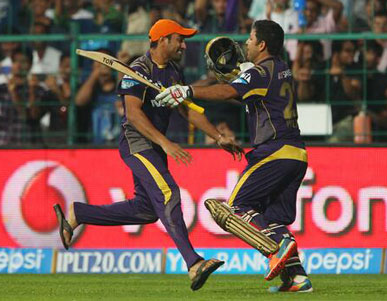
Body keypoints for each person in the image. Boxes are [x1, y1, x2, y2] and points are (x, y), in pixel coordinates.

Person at [53, 19, 243, 291]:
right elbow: (133, 114)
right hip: (137, 144)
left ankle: (79, 213)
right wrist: (165, 143)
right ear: (164, 40)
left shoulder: (174, 71)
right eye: (179, 39)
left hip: (153, 147)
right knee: (169, 194)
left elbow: (186, 109)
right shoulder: (137, 70)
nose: (183, 45)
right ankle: (193, 263)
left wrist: (218, 136)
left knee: (146, 210)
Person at [156, 19, 313, 293]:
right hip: (297, 155)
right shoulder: (281, 69)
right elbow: (238, 93)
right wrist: (199, 91)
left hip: (273, 152)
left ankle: (275, 248)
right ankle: (297, 278)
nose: (246, 45)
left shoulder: (259, 73)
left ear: (262, 44)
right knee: (273, 218)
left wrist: (187, 90)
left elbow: (229, 91)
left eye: (251, 40)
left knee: (235, 209)